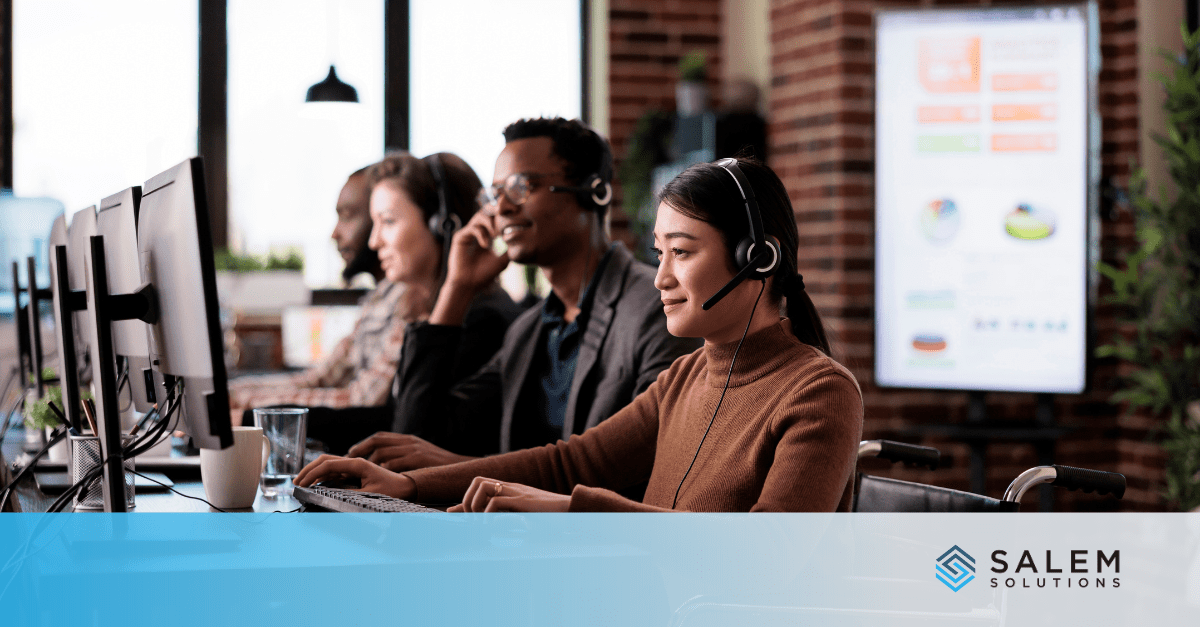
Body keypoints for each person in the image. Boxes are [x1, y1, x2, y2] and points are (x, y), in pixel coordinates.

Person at [296, 157, 865, 512]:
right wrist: (411, 486)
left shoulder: (819, 393)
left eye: (683, 253)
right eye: (658, 253)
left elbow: (766, 558)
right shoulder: (686, 376)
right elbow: (570, 464)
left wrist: (568, 512)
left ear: (757, 258)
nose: (662, 278)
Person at [346, 117, 700, 472]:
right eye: (496, 193)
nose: (501, 209)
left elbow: (634, 465)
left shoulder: (657, 308)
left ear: (593, 191)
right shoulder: (528, 332)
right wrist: (457, 289)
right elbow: (416, 436)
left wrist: (467, 469)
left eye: (521, 186)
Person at [233, 154, 522, 454]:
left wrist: (253, 417)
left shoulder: (482, 320)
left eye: (388, 221)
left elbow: (409, 431)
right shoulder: (412, 306)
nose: (374, 242)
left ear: (442, 225)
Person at [227, 167, 422, 413]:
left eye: (348, 215)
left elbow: (363, 401)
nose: (334, 233)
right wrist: (234, 393)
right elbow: (318, 378)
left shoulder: (412, 298)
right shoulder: (378, 299)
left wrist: (247, 405)